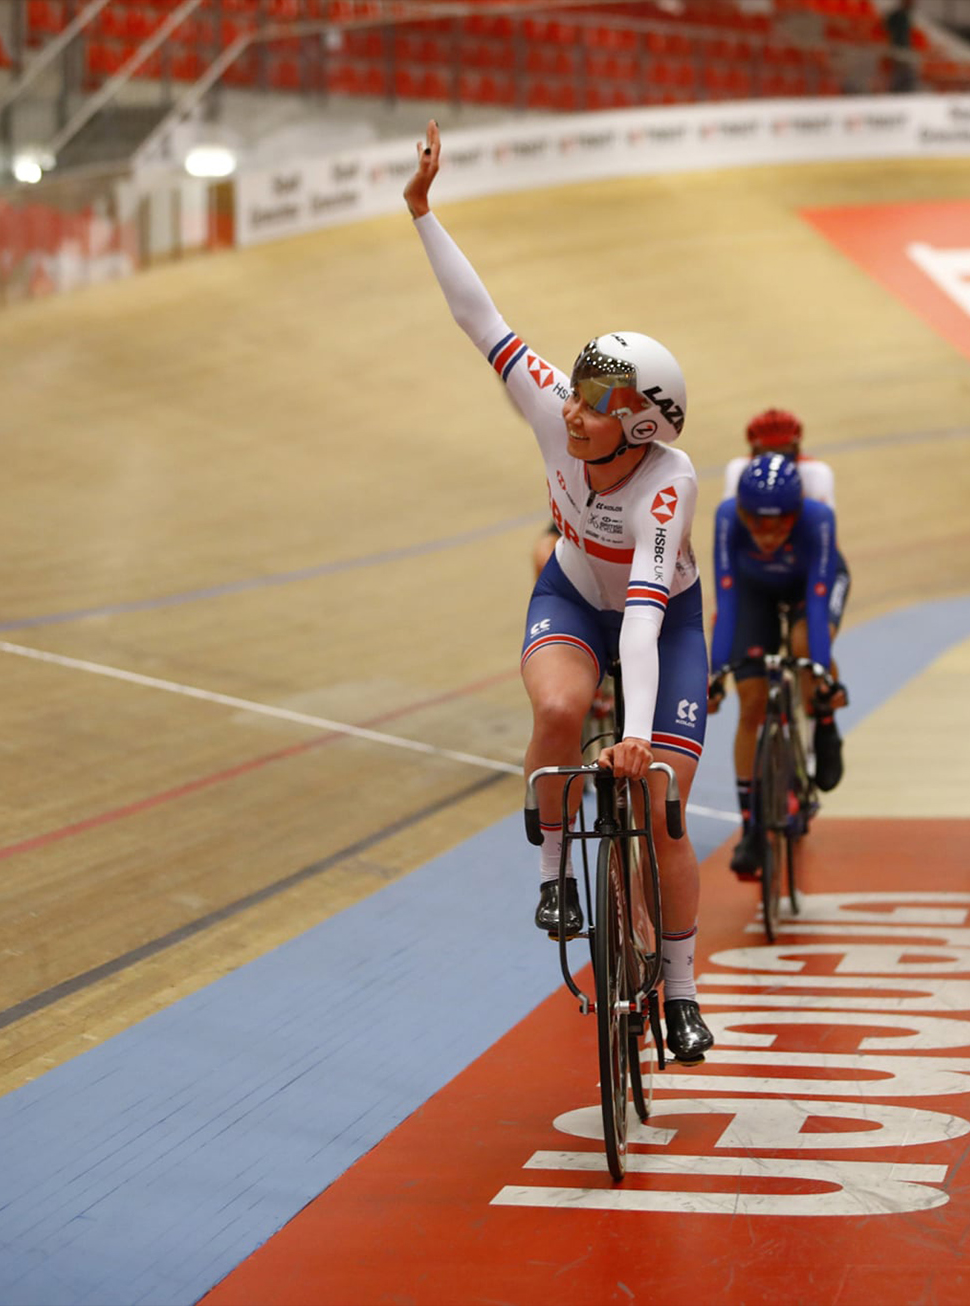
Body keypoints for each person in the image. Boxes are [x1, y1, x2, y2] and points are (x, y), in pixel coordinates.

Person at [404, 120, 713, 1063]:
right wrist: (422, 212)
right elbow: (481, 319)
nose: (570, 410)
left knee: (662, 801)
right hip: (574, 598)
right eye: (572, 396)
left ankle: (683, 988)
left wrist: (634, 735)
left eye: (593, 405)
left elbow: (651, 618)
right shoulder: (553, 409)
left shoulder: (670, 482)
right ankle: (552, 874)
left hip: (666, 621)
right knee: (556, 704)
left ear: (641, 428)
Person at [707, 454, 850, 878]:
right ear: (744, 513)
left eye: (778, 524)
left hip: (812, 587)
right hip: (754, 592)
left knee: (806, 642)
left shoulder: (818, 519)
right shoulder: (728, 518)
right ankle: (751, 827)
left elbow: (820, 600)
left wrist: (821, 671)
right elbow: (727, 600)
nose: (767, 534)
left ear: (796, 513)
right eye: (757, 523)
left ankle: (824, 723)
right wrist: (718, 672)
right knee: (750, 703)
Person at [722, 408, 836, 510]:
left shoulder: (816, 471)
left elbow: (820, 518)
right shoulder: (738, 468)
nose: (775, 458)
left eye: (782, 450)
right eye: (768, 450)